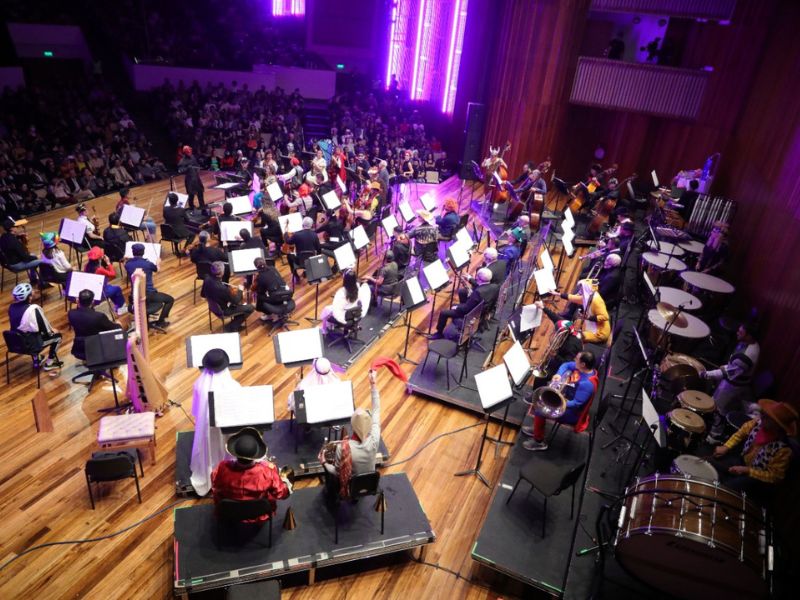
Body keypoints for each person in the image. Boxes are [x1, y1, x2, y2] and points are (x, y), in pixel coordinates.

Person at [710, 400, 797, 502]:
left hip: (757, 478)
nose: (762, 417)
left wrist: (748, 471)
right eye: (764, 414)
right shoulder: (756, 423)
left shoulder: (784, 450)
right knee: (710, 464)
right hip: (742, 461)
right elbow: (740, 434)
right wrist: (726, 447)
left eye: (768, 417)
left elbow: (775, 476)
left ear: (778, 425)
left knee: (725, 490)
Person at [321, 369, 380, 499]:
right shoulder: (375, 439)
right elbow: (376, 410)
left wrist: (324, 462)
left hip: (350, 486)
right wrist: (373, 383)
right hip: (369, 483)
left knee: (330, 475)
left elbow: (336, 472)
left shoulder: (343, 448)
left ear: (352, 426)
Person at [190, 349, 242, 496]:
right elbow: (238, 414)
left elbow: (196, 412)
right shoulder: (233, 387)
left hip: (207, 432)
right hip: (227, 431)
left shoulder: (199, 385)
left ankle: (209, 470)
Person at [522, 351, 598, 451]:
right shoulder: (582, 368)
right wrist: (559, 374)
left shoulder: (587, 384)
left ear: (583, 364)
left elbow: (576, 404)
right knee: (541, 403)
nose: (574, 360)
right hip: (567, 397)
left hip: (573, 413)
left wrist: (558, 400)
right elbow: (566, 365)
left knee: (540, 409)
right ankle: (537, 428)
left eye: (576, 359)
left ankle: (538, 441)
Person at [211, 427, 290, 522]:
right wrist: (286, 483)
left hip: (229, 512)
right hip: (258, 514)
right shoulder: (268, 471)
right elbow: (281, 494)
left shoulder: (222, 467)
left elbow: (214, 483)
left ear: (235, 452)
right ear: (256, 455)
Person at [704, 323, 760, 443]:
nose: (737, 333)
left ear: (749, 336)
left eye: (741, 332)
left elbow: (727, 373)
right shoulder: (749, 344)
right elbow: (731, 368)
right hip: (736, 381)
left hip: (733, 386)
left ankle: (715, 436)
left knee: (718, 409)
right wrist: (726, 367)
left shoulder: (746, 356)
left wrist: (706, 374)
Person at [430, 268, 496, 340]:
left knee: (444, 312)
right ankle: (455, 322)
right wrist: (470, 279)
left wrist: (457, 307)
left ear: (478, 278)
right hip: (482, 311)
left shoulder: (477, 292)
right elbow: (480, 285)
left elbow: (466, 309)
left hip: (471, 314)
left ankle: (439, 333)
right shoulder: (494, 287)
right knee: (462, 293)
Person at [8, 283, 62, 371]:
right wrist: (53, 331)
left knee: (29, 333)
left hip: (16, 343)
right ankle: (50, 363)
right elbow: (45, 330)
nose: (33, 292)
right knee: (58, 336)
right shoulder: (33, 309)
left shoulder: (11, 308)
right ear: (29, 297)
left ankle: (37, 360)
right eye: (31, 292)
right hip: (30, 345)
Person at [124, 243, 174, 327]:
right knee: (170, 300)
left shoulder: (128, 264)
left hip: (135, 296)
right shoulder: (148, 264)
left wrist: (127, 259)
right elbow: (157, 270)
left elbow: (126, 264)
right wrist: (158, 263)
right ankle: (161, 322)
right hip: (149, 295)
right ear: (143, 252)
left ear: (132, 252)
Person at [67, 289, 121, 360]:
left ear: (78, 301)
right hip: (97, 349)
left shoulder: (71, 314)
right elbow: (114, 329)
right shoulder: (99, 316)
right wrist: (118, 324)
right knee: (119, 328)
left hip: (80, 349)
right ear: (92, 301)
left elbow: (83, 317)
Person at [201, 261, 254, 332]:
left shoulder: (207, 279)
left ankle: (234, 323)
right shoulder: (222, 289)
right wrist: (240, 290)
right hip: (223, 310)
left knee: (238, 304)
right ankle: (233, 326)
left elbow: (203, 294)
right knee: (251, 307)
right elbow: (236, 300)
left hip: (213, 306)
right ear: (222, 273)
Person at [320, 269, 371, 334]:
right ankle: (331, 326)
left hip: (344, 317)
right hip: (354, 314)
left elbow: (336, 309)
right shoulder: (358, 287)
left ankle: (324, 330)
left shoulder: (341, 293)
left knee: (326, 310)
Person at [85, 246, 127, 315]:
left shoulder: (87, 266)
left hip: (92, 288)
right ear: (99, 258)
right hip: (100, 292)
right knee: (117, 289)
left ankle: (117, 305)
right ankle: (121, 307)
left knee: (112, 288)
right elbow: (113, 274)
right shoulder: (99, 269)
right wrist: (108, 263)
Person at [253, 256, 295, 323]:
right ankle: (280, 313)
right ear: (265, 262)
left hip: (276, 298)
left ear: (256, 267)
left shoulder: (260, 276)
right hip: (286, 296)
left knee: (260, 296)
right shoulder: (273, 268)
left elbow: (261, 292)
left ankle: (269, 314)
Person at [1, 219, 41, 284]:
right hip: (17, 265)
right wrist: (36, 257)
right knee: (42, 261)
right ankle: (43, 282)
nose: (17, 228)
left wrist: (18, 236)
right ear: (12, 229)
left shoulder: (3, 237)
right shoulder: (14, 242)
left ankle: (33, 279)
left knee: (33, 255)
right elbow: (25, 257)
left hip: (8, 263)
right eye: (16, 227)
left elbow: (9, 243)